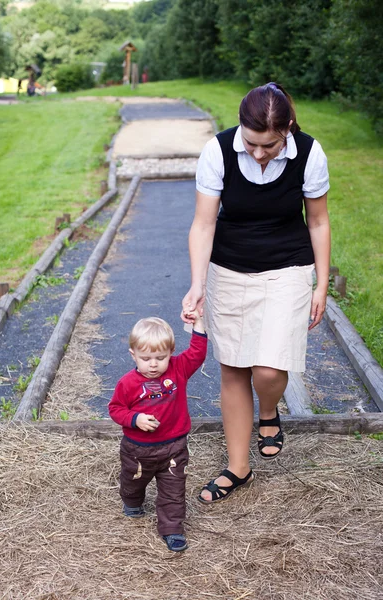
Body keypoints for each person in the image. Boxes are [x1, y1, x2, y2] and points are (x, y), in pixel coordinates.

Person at [181, 82, 330, 504]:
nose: (258, 153)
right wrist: (197, 285)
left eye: (268, 145)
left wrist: (321, 283)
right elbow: (204, 223)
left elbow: (317, 221)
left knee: (268, 369)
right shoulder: (218, 150)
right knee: (234, 366)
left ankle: (269, 410)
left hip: (289, 265)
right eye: (251, 143)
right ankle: (238, 467)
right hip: (228, 268)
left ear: (287, 131)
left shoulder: (309, 153)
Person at [109, 315, 207, 552]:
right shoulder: (128, 383)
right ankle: (132, 502)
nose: (153, 364)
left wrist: (198, 325)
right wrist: (135, 419)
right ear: (133, 355)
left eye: (160, 358)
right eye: (146, 359)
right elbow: (115, 409)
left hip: (174, 447)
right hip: (137, 450)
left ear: (171, 353)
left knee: (174, 489)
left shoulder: (178, 369)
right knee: (133, 481)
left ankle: (172, 529)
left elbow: (197, 353)